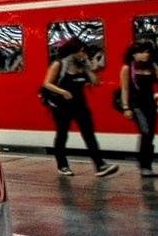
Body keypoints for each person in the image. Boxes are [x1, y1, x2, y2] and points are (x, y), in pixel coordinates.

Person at [41, 38, 114, 176]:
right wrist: (63, 92)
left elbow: (95, 81)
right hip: (61, 106)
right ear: (73, 51)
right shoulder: (59, 64)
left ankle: (100, 165)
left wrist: (88, 65)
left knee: (89, 134)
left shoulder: (82, 65)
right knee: (62, 134)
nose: (84, 53)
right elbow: (47, 83)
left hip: (80, 105)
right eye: (82, 51)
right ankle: (62, 165)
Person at [119, 38, 158, 178]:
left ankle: (146, 164)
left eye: (147, 52)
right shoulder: (127, 68)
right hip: (136, 105)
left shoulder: (152, 66)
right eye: (142, 52)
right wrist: (126, 107)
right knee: (146, 131)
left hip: (150, 104)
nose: (146, 55)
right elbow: (124, 89)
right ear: (134, 54)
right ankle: (145, 166)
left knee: (150, 134)